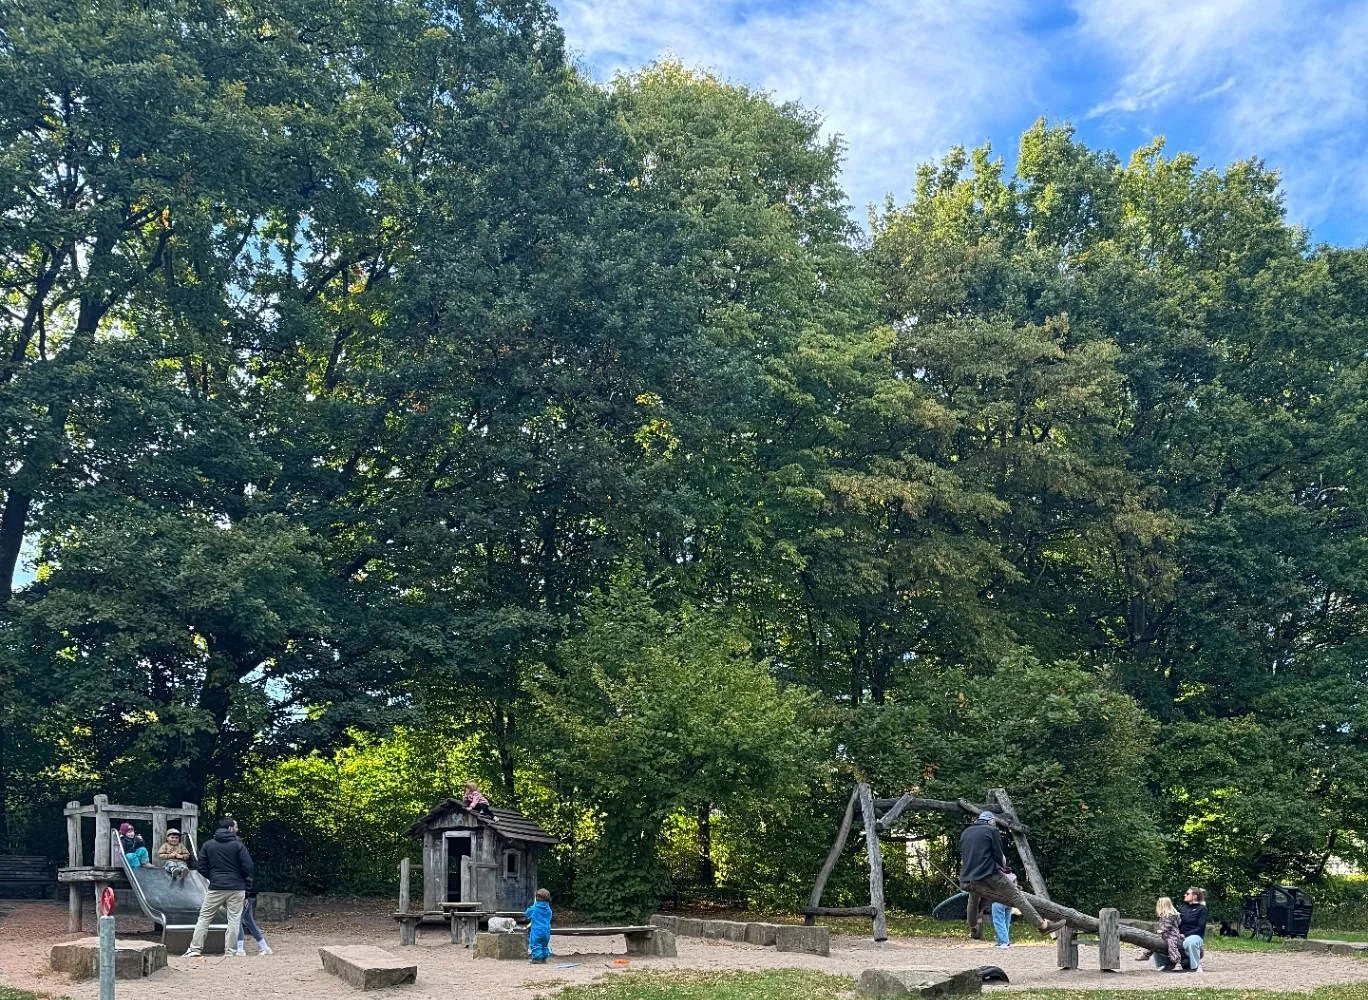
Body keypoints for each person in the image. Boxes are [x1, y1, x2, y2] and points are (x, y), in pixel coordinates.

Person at [959, 811, 1052, 937]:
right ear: (991, 821)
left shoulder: (966, 832)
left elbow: (966, 855)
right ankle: (1042, 925)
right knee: (1016, 896)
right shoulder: (991, 831)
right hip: (989, 872)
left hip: (968, 874)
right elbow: (998, 854)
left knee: (973, 899)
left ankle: (972, 925)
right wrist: (1003, 868)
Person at [182, 817, 253, 958]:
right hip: (237, 888)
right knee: (234, 919)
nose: (237, 829)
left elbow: (200, 867)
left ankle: (195, 949)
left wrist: (213, 877)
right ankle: (230, 951)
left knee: (204, 917)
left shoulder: (209, 845)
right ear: (230, 828)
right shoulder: (238, 845)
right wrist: (247, 890)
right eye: (236, 826)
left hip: (216, 887)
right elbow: (248, 867)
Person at [1137, 896, 1183, 969]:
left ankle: (1176, 960)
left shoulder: (1169, 915)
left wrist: (1160, 931)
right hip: (1165, 935)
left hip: (1171, 935)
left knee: (1172, 946)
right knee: (1153, 941)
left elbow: (1167, 927)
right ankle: (1146, 954)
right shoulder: (1168, 915)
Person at [1176, 886, 1207, 973]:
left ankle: (1195, 967)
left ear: (1195, 896)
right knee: (1159, 940)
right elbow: (1176, 923)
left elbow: (1200, 928)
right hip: (1179, 935)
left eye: (1187, 894)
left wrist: (1185, 935)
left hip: (1195, 936)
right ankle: (1163, 965)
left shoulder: (1202, 909)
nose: (1184, 895)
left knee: (1190, 942)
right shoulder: (1182, 908)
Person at [236, 889, 273, 956]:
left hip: (245, 895)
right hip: (249, 895)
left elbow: (247, 881)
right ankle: (265, 947)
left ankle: (240, 949)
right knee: (249, 921)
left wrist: (245, 896)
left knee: (237, 920)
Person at [990, 868, 1018, 948]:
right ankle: (1002, 941)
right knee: (1006, 922)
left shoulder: (996, 876)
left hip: (998, 901)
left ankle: (1004, 942)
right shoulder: (1013, 877)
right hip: (1009, 901)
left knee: (998, 922)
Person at [524, 887, 553, 963]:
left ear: (537, 898)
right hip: (546, 931)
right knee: (544, 945)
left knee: (535, 944)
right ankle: (544, 958)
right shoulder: (549, 909)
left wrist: (534, 905)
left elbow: (527, 913)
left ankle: (537, 959)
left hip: (537, 930)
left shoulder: (535, 909)